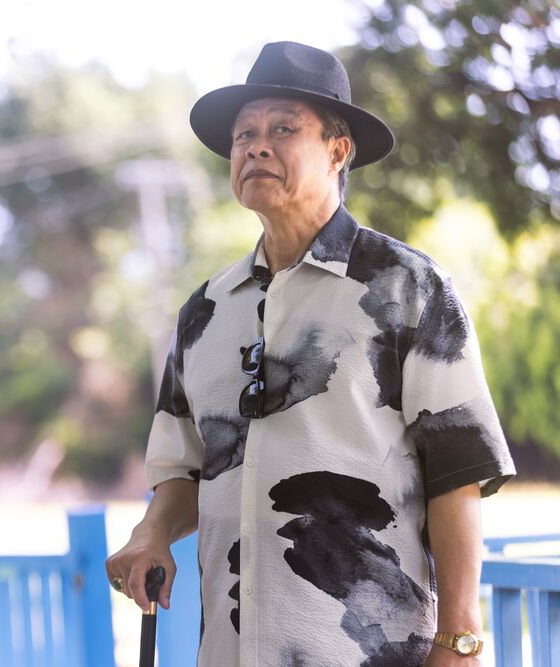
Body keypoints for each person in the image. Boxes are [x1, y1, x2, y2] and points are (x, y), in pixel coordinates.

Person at [105, 42, 515, 666]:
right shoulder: (204, 311)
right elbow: (183, 469)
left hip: (368, 652)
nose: (256, 147)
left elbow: (457, 473)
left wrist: (459, 638)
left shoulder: (406, 287)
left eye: (283, 129)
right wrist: (152, 531)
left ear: (338, 150)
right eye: (245, 135)